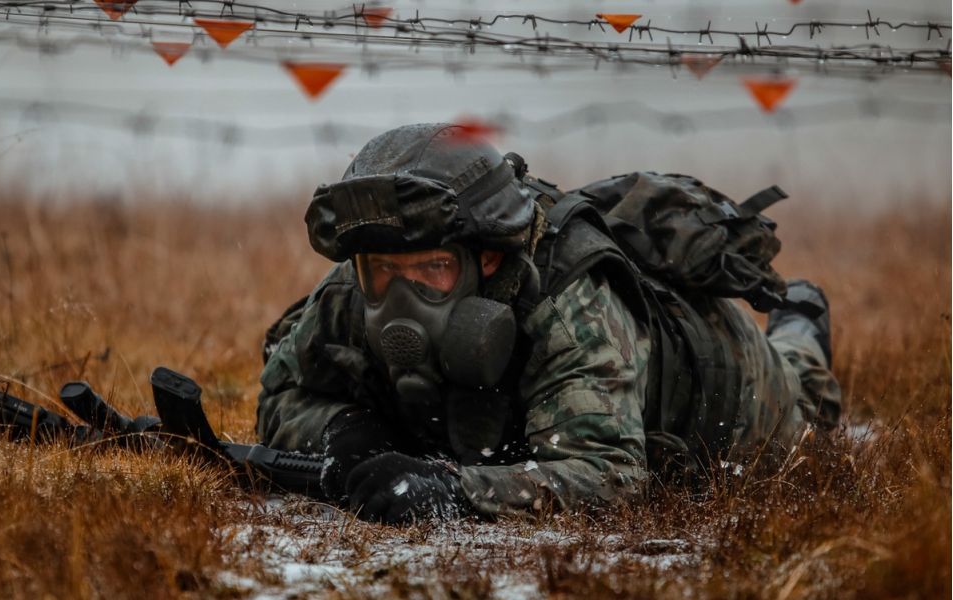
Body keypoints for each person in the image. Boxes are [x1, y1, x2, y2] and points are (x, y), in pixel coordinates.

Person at [253, 122, 842, 523]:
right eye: (383, 271)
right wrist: (343, 433)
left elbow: (609, 473)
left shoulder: (570, 302)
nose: (399, 295)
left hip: (737, 386)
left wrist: (454, 491)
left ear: (487, 257)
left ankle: (800, 316)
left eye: (432, 267)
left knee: (805, 394)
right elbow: (283, 388)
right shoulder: (358, 283)